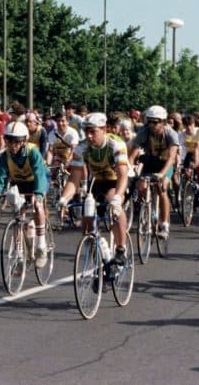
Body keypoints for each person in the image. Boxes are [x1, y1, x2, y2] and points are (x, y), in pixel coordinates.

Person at [56, 113, 130, 277]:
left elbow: (123, 176)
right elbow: (74, 179)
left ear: (104, 129)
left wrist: (118, 198)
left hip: (116, 181)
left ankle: (120, 249)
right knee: (87, 218)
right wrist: (64, 199)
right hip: (96, 183)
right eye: (86, 131)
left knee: (113, 204)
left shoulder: (116, 144)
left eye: (93, 131)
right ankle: (98, 264)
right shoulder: (82, 148)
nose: (88, 136)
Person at [0, 121, 51, 268]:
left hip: (38, 180)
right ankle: (19, 255)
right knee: (18, 216)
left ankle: (41, 246)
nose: (12, 145)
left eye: (17, 141)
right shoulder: (5, 155)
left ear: (24, 141)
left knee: (37, 206)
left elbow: (39, 174)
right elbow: (1, 176)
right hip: (20, 182)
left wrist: (38, 196)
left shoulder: (33, 152)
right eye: (9, 140)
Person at [128, 105, 179, 239]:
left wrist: (162, 174)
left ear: (163, 122)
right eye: (148, 121)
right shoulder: (144, 132)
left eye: (154, 122)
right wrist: (128, 167)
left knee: (162, 188)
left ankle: (164, 225)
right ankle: (148, 210)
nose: (151, 125)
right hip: (150, 162)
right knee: (141, 187)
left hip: (165, 164)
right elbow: (132, 154)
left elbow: (172, 157)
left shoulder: (170, 133)